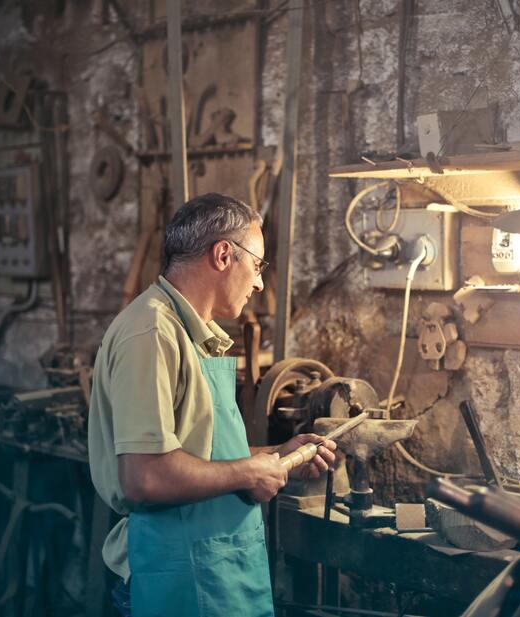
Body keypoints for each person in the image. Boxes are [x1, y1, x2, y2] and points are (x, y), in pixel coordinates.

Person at [88, 193, 336, 617]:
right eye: (257, 266)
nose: (259, 283)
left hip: (208, 570)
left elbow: (195, 453)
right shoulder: (152, 332)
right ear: (223, 255)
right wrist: (249, 472)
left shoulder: (188, 333)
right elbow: (143, 477)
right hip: (176, 578)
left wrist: (276, 456)